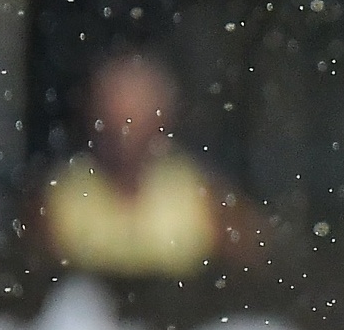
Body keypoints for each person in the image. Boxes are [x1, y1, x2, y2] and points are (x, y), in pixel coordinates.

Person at [38, 52, 264, 277]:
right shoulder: (62, 197)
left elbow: (253, 261)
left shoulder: (201, 195)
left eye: (137, 122)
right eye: (115, 121)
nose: (125, 136)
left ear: (162, 122)